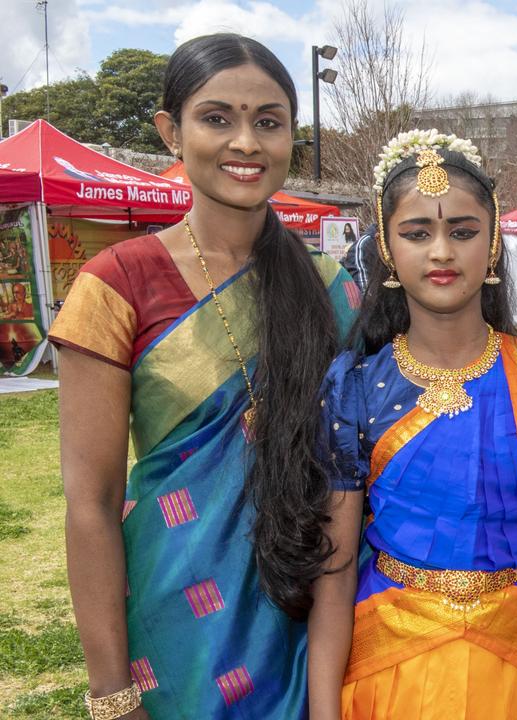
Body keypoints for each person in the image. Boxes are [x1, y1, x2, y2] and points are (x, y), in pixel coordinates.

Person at [51, 33, 359, 719]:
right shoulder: (118, 283)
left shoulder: (331, 288)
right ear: (171, 131)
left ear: (291, 138)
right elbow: (90, 505)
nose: (245, 142)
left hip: (315, 607)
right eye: (217, 118)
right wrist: (110, 694)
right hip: (178, 626)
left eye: (268, 122)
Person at [307, 130, 517, 720]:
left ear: (493, 244)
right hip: (389, 666)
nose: (441, 251)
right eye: (417, 233)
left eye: (463, 231)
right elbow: (336, 568)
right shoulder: (356, 387)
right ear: (388, 251)